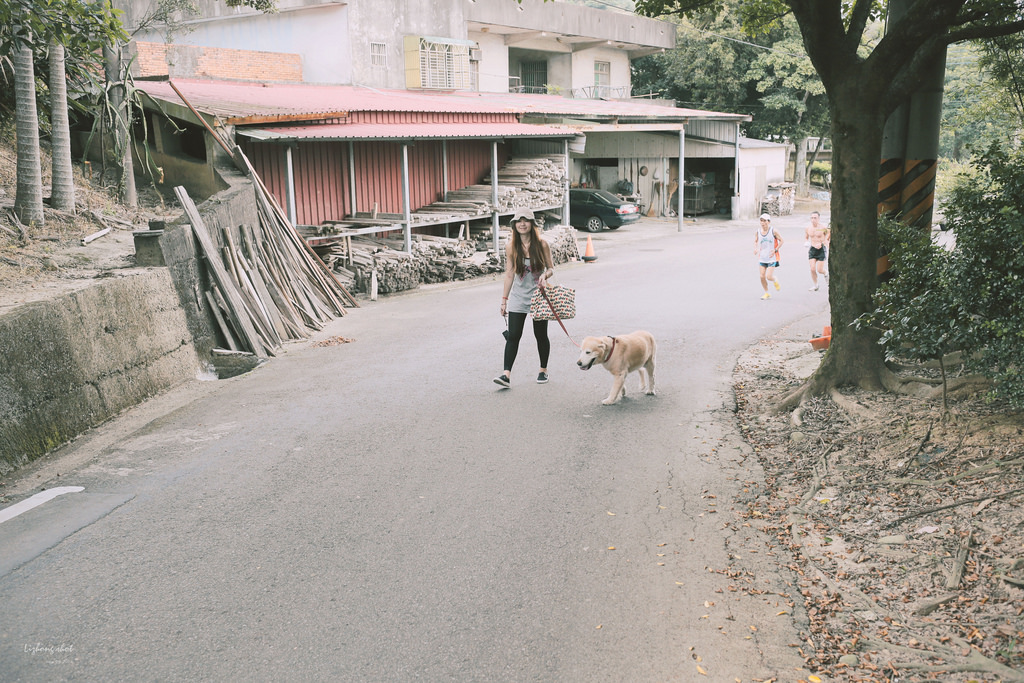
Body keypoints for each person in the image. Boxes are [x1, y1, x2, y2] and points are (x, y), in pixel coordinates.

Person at [495, 209, 554, 388]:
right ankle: (506, 375)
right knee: (513, 335)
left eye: (526, 220)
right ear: (514, 225)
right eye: (518, 221)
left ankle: (543, 370)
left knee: (540, 335)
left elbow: (551, 268)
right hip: (518, 297)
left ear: (532, 224)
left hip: (539, 296)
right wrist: (504, 300)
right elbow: (509, 274)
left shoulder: (542, 244)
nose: (522, 224)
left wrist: (545, 276)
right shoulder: (511, 246)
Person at [755, 213, 783, 300]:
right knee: (761, 276)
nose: (763, 223)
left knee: (768, 276)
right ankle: (767, 293)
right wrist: (756, 248)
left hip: (772, 257)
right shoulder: (758, 231)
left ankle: (774, 280)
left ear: (769, 222)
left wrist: (775, 250)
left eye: (765, 221)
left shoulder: (773, 231)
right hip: (762, 257)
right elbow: (756, 241)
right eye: (761, 221)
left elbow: (782, 241)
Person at [805, 211, 830, 291]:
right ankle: (816, 285)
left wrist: (822, 243)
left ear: (818, 218)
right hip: (812, 249)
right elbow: (806, 237)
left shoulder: (823, 227)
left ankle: (825, 273)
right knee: (812, 268)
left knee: (819, 270)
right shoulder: (808, 228)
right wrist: (807, 242)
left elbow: (828, 237)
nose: (813, 220)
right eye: (812, 218)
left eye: (815, 218)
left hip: (821, 249)